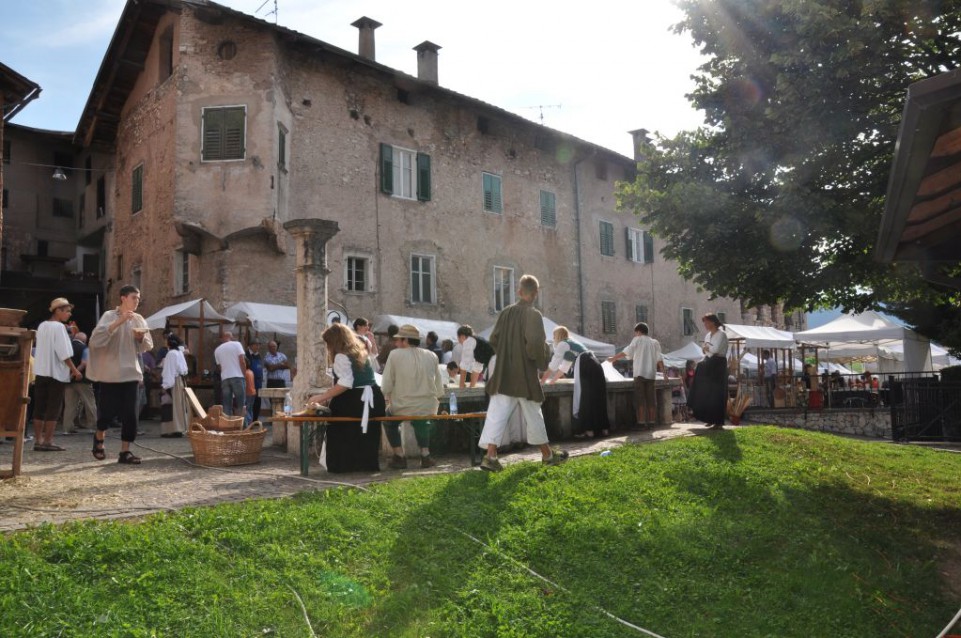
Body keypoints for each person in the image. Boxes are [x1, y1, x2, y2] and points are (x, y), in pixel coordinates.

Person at [477, 274, 568, 471]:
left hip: (503, 372)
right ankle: (547, 455)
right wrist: (539, 360)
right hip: (524, 372)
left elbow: (494, 339)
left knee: (496, 413)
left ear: (519, 292)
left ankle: (490, 456)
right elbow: (535, 343)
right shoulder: (533, 314)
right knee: (533, 414)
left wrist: (506, 354)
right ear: (535, 294)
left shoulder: (506, 312)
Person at [87, 285, 154, 464]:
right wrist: (120, 321)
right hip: (110, 373)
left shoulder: (139, 319)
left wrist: (141, 339)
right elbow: (95, 340)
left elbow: (148, 345)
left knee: (131, 415)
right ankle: (99, 437)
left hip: (131, 372)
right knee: (106, 414)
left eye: (138, 298)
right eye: (134, 297)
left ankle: (125, 452)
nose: (137, 301)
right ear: (123, 298)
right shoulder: (109, 316)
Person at [307, 323, 385, 473]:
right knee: (366, 432)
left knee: (335, 419)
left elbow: (345, 384)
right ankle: (365, 464)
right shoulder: (361, 352)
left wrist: (321, 397)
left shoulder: (342, 356)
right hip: (374, 399)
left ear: (333, 342)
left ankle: (343, 464)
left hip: (358, 401)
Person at [380, 324, 445, 469]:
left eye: (398, 340)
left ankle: (399, 455)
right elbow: (439, 387)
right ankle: (425, 454)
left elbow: (386, 386)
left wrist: (388, 395)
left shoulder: (395, 354)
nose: (396, 343)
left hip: (402, 406)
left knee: (388, 420)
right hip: (428, 406)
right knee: (422, 419)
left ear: (405, 340)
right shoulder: (432, 355)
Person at [32, 297, 83, 451]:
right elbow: (64, 353)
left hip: (41, 371)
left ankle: (38, 440)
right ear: (58, 311)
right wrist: (74, 370)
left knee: (39, 406)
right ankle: (48, 441)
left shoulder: (42, 326)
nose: (69, 314)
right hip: (56, 373)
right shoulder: (59, 328)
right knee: (54, 407)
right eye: (67, 311)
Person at [544, 326, 610, 438]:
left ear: (558, 336)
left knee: (586, 397)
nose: (553, 338)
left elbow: (553, 365)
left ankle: (589, 431)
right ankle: (603, 429)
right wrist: (553, 380)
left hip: (585, 365)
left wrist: (542, 381)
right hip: (595, 364)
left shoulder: (562, 344)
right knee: (598, 397)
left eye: (554, 336)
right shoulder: (572, 343)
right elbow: (564, 367)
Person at [608, 322, 664, 428]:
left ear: (638, 331)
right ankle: (652, 422)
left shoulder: (637, 340)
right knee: (651, 399)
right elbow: (659, 358)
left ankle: (641, 422)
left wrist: (613, 358)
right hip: (651, 374)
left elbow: (627, 352)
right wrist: (664, 373)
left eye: (636, 332)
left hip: (639, 373)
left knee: (640, 399)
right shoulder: (655, 342)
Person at [687, 313, 729, 430]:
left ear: (712, 322)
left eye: (706, 322)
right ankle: (709, 418)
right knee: (707, 391)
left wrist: (706, 348)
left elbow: (715, 350)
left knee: (717, 392)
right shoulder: (707, 336)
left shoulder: (721, 334)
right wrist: (706, 349)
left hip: (718, 364)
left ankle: (718, 421)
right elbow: (706, 352)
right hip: (709, 362)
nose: (705, 324)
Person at [62, 331, 97, 434]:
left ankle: (67, 428)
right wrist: (75, 372)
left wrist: (70, 375)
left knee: (70, 405)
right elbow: (84, 363)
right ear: (84, 340)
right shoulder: (85, 348)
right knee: (90, 402)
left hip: (68, 380)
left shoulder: (67, 347)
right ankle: (92, 425)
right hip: (83, 380)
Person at [160, 334, 189, 438]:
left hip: (174, 382)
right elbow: (184, 369)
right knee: (178, 405)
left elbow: (169, 371)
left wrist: (165, 385)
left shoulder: (171, 354)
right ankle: (179, 428)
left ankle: (173, 429)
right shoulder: (179, 353)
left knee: (171, 406)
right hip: (180, 380)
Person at [214, 332, 246, 417]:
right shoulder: (237, 344)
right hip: (237, 376)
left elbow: (220, 367)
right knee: (241, 404)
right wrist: (244, 374)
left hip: (225, 378)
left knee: (227, 404)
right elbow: (242, 361)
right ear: (231, 337)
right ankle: (242, 426)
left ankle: (228, 426)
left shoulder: (217, 350)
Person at [247, 341, 264, 422]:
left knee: (258, 401)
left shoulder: (258, 355)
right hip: (250, 380)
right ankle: (249, 421)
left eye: (259, 345)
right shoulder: (246, 355)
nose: (258, 347)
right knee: (250, 402)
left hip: (258, 381)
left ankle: (255, 420)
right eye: (256, 345)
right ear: (250, 346)